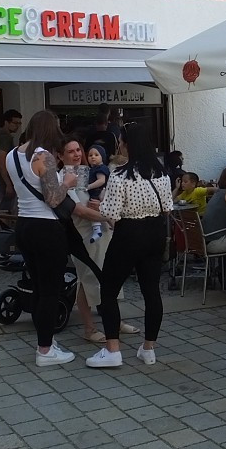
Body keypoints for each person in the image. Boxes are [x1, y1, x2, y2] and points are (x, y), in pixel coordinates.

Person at [87, 123, 172, 368]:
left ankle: (112, 349)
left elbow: (111, 212)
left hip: (129, 234)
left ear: (128, 144)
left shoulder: (121, 174)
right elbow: (167, 207)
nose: (119, 145)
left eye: (121, 141)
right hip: (155, 232)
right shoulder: (163, 174)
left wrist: (98, 208)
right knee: (151, 291)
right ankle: (148, 348)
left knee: (109, 289)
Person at [8, 111, 81, 367]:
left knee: (38, 287)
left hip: (24, 224)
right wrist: (69, 182)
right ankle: (45, 350)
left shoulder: (12, 155)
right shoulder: (44, 157)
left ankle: (45, 340)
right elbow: (54, 198)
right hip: (46, 228)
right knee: (51, 290)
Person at [57, 136, 134, 344]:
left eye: (78, 150)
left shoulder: (87, 173)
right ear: (60, 155)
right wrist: (108, 217)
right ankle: (89, 328)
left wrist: (104, 210)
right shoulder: (62, 178)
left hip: (102, 231)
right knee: (87, 279)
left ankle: (114, 322)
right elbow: (77, 210)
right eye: (71, 151)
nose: (77, 154)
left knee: (109, 276)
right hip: (82, 235)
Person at [0, 109, 23, 213]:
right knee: (6, 208)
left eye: (19, 123)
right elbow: (2, 162)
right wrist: (8, 184)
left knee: (5, 207)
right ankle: (5, 228)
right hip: (3, 179)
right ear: (6, 122)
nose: (18, 126)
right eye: (15, 123)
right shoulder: (5, 138)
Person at [85, 143, 110, 242]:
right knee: (93, 209)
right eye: (90, 155)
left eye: (96, 155)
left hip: (99, 192)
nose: (93, 157)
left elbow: (101, 181)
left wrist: (88, 187)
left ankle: (99, 228)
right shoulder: (92, 169)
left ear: (102, 157)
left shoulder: (101, 168)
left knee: (93, 208)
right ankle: (97, 229)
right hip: (95, 193)